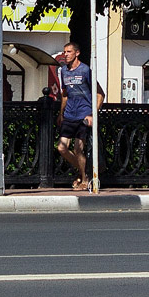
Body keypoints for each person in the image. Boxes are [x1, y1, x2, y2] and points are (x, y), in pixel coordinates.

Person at [56, 41, 103, 191]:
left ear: (77, 53)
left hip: (83, 115)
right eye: (64, 52)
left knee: (78, 149)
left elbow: (100, 94)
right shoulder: (64, 71)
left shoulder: (85, 71)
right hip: (69, 114)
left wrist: (92, 114)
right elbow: (64, 94)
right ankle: (85, 171)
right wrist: (61, 114)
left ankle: (84, 180)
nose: (66, 55)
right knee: (61, 148)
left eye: (69, 52)